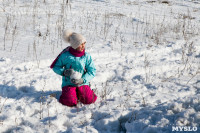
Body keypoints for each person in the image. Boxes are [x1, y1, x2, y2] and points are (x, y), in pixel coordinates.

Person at [50, 29, 97, 107]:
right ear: (75, 45)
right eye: (81, 44)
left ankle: (81, 91)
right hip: (68, 83)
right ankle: (71, 93)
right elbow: (56, 67)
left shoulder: (86, 56)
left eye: (84, 43)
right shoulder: (65, 55)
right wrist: (64, 72)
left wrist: (83, 80)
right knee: (70, 102)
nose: (83, 46)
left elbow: (92, 70)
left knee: (89, 100)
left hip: (82, 82)